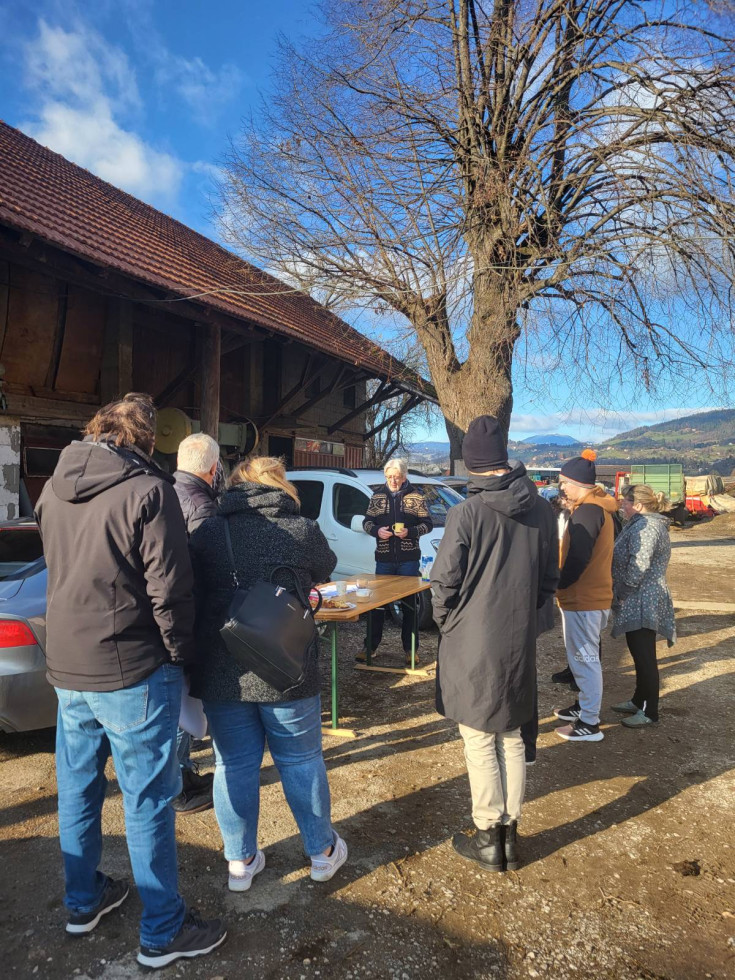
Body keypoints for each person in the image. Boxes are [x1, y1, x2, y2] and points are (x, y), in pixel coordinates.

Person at [35, 393, 226, 970]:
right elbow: (171, 589)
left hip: (69, 666)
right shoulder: (149, 491)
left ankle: (82, 901)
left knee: (77, 787)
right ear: (146, 441)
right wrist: (180, 656)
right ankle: (163, 930)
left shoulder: (51, 489)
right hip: (133, 668)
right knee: (146, 800)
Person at [189, 456, 347, 891]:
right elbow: (325, 566)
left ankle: (240, 862)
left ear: (235, 486)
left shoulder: (208, 532)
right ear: (280, 485)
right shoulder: (301, 530)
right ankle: (322, 853)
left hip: (223, 667)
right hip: (287, 665)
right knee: (300, 760)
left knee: (232, 765)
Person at [431, 416, 558, 872]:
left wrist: (448, 623)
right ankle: (510, 834)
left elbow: (443, 582)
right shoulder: (543, 510)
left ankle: (489, 836)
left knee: (480, 736)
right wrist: (523, 617)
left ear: (472, 465)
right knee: (512, 732)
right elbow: (549, 580)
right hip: (517, 637)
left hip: (472, 637)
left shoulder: (466, 513)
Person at [170, 432, 222, 815]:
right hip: (191, 617)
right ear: (213, 468)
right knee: (182, 706)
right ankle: (178, 786)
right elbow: (210, 570)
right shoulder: (202, 505)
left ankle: (183, 774)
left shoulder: (163, 492)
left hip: (168, 615)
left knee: (177, 703)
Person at [554, 450, 618, 743]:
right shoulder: (595, 508)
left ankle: (590, 722)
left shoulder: (589, 511)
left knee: (585, 659)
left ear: (577, 483)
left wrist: (559, 583)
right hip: (589, 596)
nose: (562, 488)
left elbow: (578, 557)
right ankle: (583, 705)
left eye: (564, 482)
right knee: (583, 657)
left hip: (584, 597)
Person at [610, 484, 676, 727]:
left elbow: (640, 563)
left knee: (644, 655)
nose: (622, 505)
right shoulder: (640, 523)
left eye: (625, 502)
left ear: (637, 505)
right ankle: (639, 699)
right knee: (638, 651)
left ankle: (650, 710)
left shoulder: (647, 526)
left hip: (642, 598)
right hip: (639, 597)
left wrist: (624, 591)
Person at [359, 458, 433, 666]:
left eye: (397, 477)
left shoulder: (416, 497)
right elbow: (367, 522)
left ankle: (410, 650)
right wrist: (376, 531)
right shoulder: (377, 496)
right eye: (389, 477)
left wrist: (410, 532)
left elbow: (427, 524)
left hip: (409, 560)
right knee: (377, 605)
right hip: (384, 559)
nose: (393, 480)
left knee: (409, 606)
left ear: (404, 476)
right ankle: (370, 647)